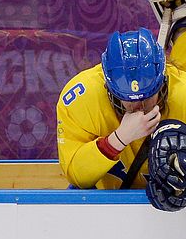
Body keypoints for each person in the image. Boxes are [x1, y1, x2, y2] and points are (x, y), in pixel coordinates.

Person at [56, 27, 186, 189]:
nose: (140, 106)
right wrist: (118, 139)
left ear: (163, 82)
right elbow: (77, 177)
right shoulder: (82, 98)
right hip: (107, 201)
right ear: (109, 89)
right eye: (127, 98)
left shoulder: (182, 93)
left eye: (148, 95)